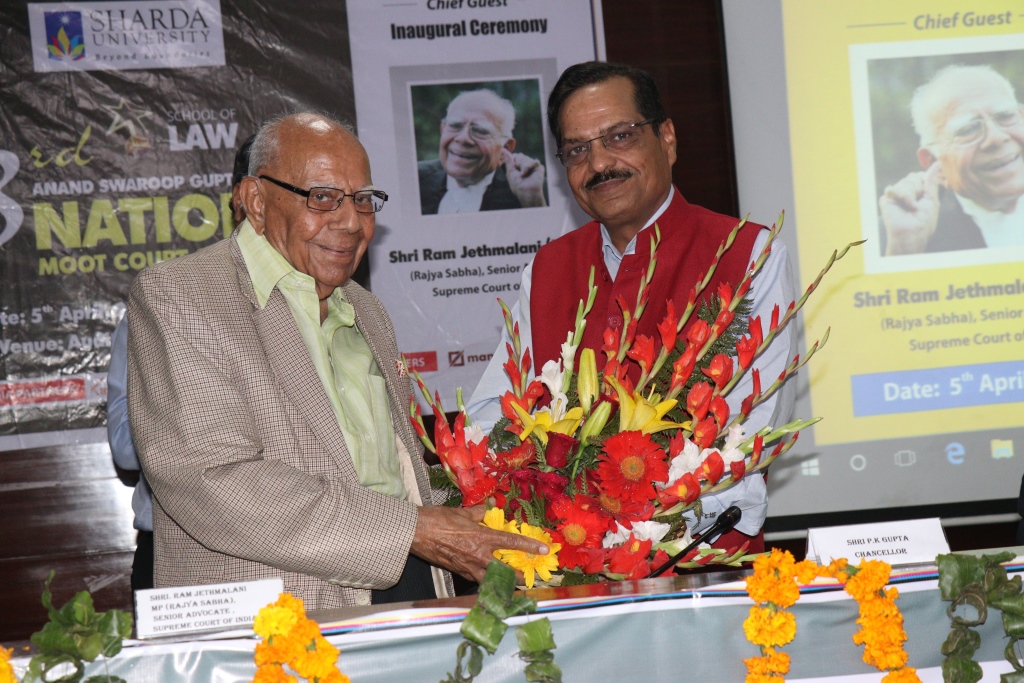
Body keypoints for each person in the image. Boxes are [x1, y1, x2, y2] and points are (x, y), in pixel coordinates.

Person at [126, 112, 547, 609]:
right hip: (277, 620)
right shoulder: (183, 295)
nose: (351, 222)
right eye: (322, 198)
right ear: (256, 202)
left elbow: (390, 472)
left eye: (363, 200)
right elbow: (214, 480)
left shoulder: (365, 308)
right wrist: (413, 530)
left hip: (410, 587)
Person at [468, 62, 797, 553]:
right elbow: (492, 414)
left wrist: (624, 512)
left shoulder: (746, 254)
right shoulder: (549, 269)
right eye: (578, 149)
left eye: (619, 136)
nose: (599, 164)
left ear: (667, 139)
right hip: (566, 563)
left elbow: (755, 428)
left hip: (697, 561)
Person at [108, 134, 254, 593]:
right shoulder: (167, 303)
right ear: (246, 200)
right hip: (182, 559)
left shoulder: (344, 309)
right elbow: (126, 450)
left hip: (311, 554)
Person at [880, 64, 1024, 255]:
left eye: (1005, 116)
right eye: (968, 129)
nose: (996, 138)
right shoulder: (896, 239)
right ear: (933, 162)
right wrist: (906, 248)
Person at [419, 88, 547, 214]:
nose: (463, 138)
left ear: (506, 147)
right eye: (455, 126)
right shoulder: (416, 180)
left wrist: (533, 203)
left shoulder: (536, 192)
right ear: (443, 129)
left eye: (480, 131)